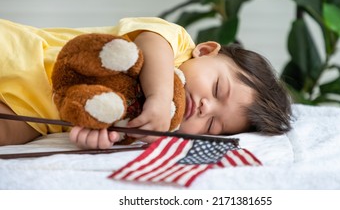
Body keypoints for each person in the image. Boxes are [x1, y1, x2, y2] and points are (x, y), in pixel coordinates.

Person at [0, 17, 292, 149]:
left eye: (213, 125)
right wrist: (160, 97)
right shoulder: (174, 45)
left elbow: (95, 126)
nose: (205, 107)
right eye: (217, 90)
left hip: (34, 117)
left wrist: (96, 136)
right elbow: (151, 42)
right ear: (204, 51)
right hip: (21, 54)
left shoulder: (149, 130)